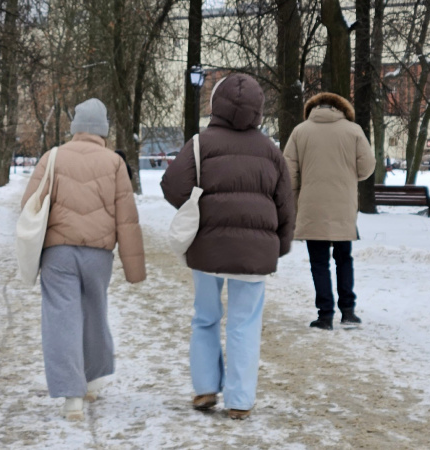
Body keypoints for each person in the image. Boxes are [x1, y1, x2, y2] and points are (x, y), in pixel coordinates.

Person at [161, 73, 295, 420]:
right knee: (244, 324)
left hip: (207, 248)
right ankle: (239, 400)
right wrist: (279, 244)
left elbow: (172, 184)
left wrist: (198, 206)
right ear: (258, 109)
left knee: (205, 317)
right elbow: (285, 204)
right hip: (254, 254)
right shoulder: (270, 151)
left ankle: (206, 388)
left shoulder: (200, 143)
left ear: (215, 104)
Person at [21, 98, 146, 421]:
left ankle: (71, 397)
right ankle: (93, 380)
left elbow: (29, 203)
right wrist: (134, 269)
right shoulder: (114, 163)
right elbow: (127, 218)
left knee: (61, 318)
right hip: (98, 255)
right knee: (94, 312)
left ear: (75, 127)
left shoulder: (54, 157)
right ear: (103, 129)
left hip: (57, 253)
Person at [283, 93, 375, 331]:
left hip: (312, 204)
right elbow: (366, 167)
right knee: (344, 258)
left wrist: (295, 201)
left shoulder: (299, 132)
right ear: (341, 109)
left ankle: (325, 315)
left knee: (319, 262)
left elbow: (288, 172)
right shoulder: (353, 131)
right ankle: (348, 312)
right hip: (343, 205)